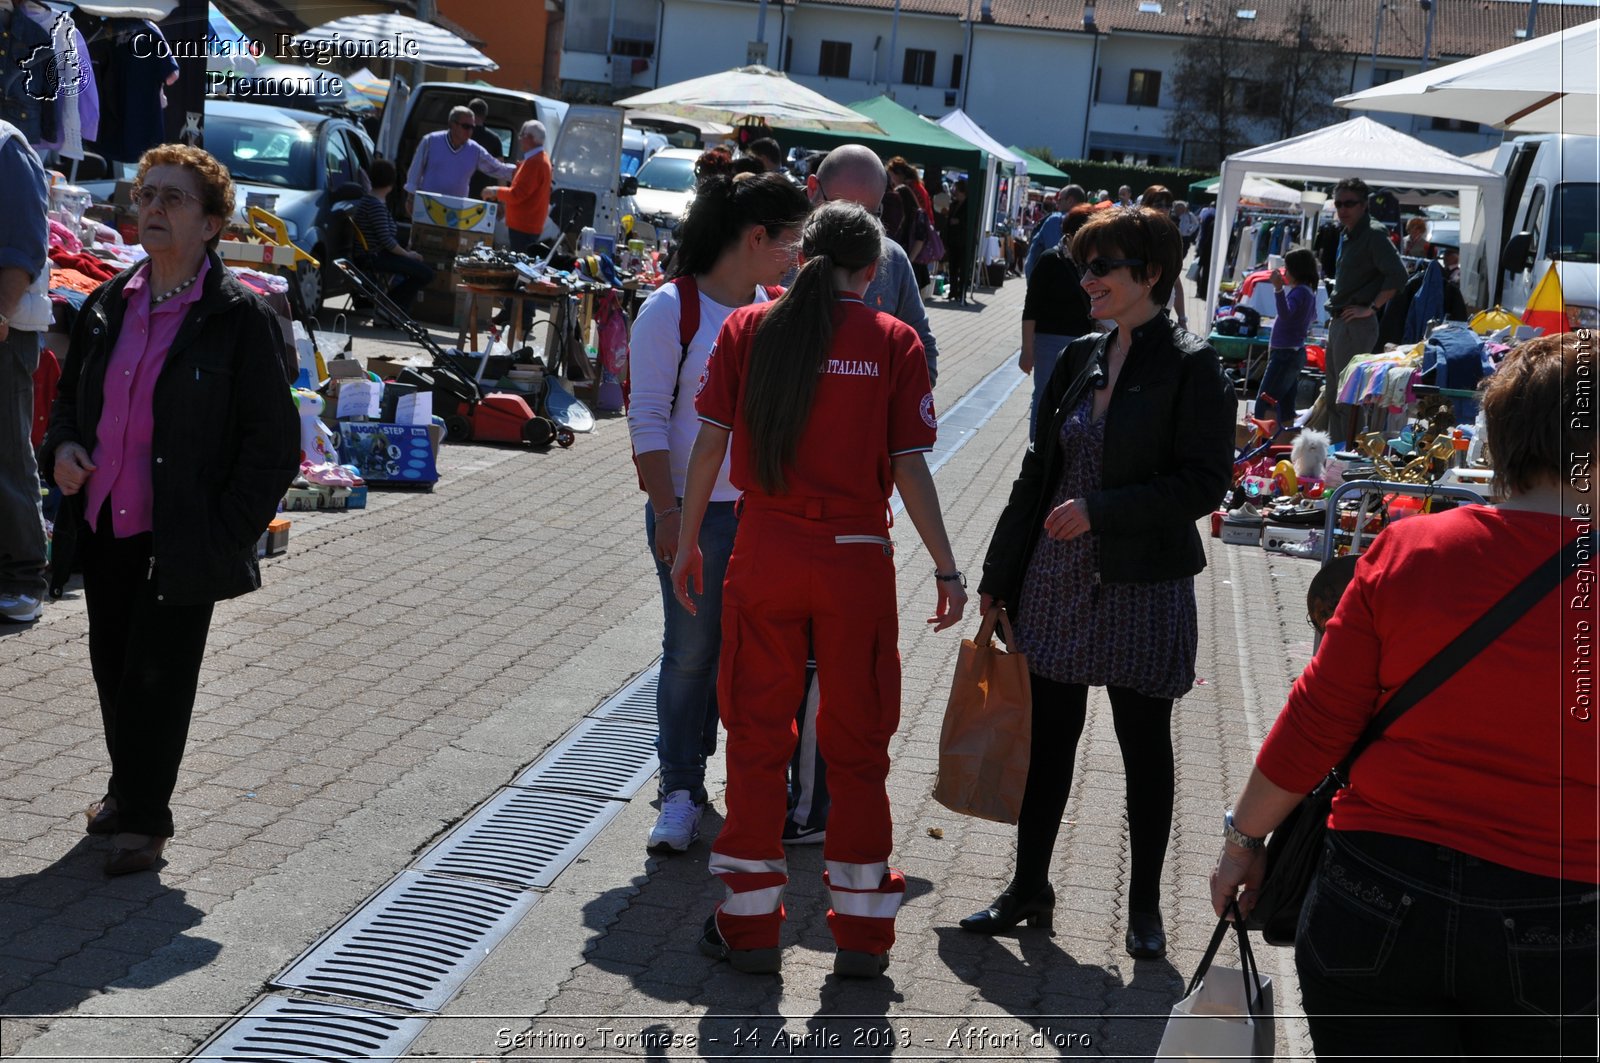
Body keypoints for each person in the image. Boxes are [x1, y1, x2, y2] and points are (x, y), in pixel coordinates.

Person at [1211, 333, 1598, 1062]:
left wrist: (1243, 843)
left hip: (1378, 893)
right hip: (1561, 912)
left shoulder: (1412, 550)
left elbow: (1315, 723)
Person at [674, 199, 966, 978]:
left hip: (764, 550)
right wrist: (946, 567)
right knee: (858, 746)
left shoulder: (747, 329)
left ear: (803, 258)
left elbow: (708, 445)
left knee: (757, 740)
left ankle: (749, 928)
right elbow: (909, 466)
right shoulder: (894, 340)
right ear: (873, 271)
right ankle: (864, 938)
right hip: (856, 558)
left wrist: (684, 541)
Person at [962, 206, 1235, 959]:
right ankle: (1028, 889)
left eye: (1101, 268)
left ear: (1149, 275)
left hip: (1144, 584)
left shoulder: (1192, 364)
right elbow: (1034, 471)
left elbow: (1207, 482)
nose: (1085, 281)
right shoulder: (1080, 354)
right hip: (1055, 578)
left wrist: (1103, 512)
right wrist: (997, 573)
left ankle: (1143, 907)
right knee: (1048, 741)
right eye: (1083, 266)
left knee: (1143, 747)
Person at [41, 145, 299, 876]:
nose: (152, 209)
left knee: (160, 676)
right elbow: (69, 403)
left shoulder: (237, 318)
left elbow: (274, 446)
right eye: (147, 194)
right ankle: (128, 792)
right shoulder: (107, 304)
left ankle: (146, 823)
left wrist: (225, 535)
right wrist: (62, 450)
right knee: (115, 668)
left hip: (181, 534)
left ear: (213, 225)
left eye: (174, 199)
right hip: (103, 523)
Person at [626, 172, 810, 854]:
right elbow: (646, 418)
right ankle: (680, 787)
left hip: (767, 517)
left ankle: (752, 789)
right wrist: (669, 514)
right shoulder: (670, 310)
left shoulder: (780, 309)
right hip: (691, 514)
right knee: (693, 652)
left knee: (754, 657)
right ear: (755, 237)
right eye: (790, 239)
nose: (796, 253)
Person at [807, 146, 941, 386]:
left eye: (869, 215)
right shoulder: (776, 247)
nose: (851, 229)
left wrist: (886, 408)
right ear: (813, 189)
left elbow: (923, 353)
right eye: (839, 210)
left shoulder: (892, 258)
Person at [0, 120, 51, 624]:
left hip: (6, 329)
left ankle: (23, 577)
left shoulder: (5, 145)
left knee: (6, 454)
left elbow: (23, 247)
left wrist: (0, 313)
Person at [1313, 177, 1407, 443]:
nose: (1343, 209)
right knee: (1333, 396)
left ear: (1364, 205)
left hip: (1356, 324)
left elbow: (1398, 275)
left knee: (1347, 400)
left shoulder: (1373, 234)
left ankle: (1347, 460)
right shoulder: (1348, 233)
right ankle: (1335, 457)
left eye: (1349, 203)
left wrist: (1372, 308)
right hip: (1341, 322)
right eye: (1339, 203)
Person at [1020, 204, 1096, 441]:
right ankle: (1038, 452)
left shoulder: (1091, 264)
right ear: (1073, 233)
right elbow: (1031, 308)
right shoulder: (1050, 260)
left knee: (1076, 400)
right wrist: (1027, 350)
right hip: (1049, 343)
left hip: (1084, 342)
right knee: (1044, 398)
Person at [350, 159, 435, 309]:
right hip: (374, 257)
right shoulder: (375, 206)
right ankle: (391, 305)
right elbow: (387, 242)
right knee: (426, 273)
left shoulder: (371, 201)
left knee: (418, 267)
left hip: (373, 253)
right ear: (391, 183)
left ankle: (390, 304)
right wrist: (408, 255)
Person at [404, 105, 516, 215]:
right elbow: (415, 171)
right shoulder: (430, 141)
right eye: (466, 127)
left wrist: (521, 170)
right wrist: (410, 198)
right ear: (452, 124)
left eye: (472, 127)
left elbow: (496, 168)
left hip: (456, 212)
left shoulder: (474, 150)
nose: (470, 131)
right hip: (428, 207)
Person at [1253, 247, 1319, 429]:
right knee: (1286, 407)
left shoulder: (1299, 293)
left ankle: (1260, 445)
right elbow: (1311, 318)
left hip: (1285, 355)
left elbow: (1285, 314)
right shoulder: (1308, 293)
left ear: (1296, 271)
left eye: (1286, 269)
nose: (1284, 273)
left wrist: (1278, 289)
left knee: (1264, 401)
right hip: (1294, 353)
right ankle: (1284, 443)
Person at [483, 120, 552, 251]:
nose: (519, 139)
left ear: (530, 138)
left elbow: (517, 194)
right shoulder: (538, 159)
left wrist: (494, 191)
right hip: (527, 225)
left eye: (522, 135)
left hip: (524, 227)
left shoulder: (535, 163)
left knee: (520, 265)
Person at [1141, 186, 1188, 330]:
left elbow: (1176, 282)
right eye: (1159, 204)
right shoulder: (1136, 234)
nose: (1164, 209)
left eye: (1168, 205)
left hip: (1163, 310)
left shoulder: (1170, 235)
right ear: (1146, 205)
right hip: (1139, 310)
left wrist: (1182, 319)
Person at [886, 156, 936, 289]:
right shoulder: (916, 186)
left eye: (891, 176)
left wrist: (908, 260)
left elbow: (920, 235)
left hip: (913, 256)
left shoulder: (910, 189)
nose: (891, 181)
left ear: (898, 174)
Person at [1024, 184, 1087, 280]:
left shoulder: (1056, 219)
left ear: (1070, 200)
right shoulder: (1088, 220)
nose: (1056, 202)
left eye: (1059, 199)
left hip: (1050, 281)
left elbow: (1054, 255)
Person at [465, 97, 504, 200]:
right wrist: (501, 201)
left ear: (469, 113)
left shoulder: (460, 135)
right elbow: (501, 172)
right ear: (485, 116)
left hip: (459, 193)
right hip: (485, 196)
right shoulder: (494, 139)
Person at [944, 180, 972, 306]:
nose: (955, 192)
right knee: (952, 268)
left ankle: (961, 293)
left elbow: (969, 222)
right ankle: (953, 292)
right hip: (953, 240)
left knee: (962, 268)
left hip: (963, 241)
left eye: (957, 190)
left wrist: (958, 222)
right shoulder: (954, 204)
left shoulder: (969, 205)